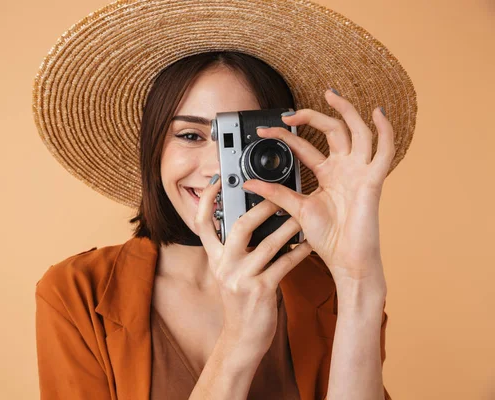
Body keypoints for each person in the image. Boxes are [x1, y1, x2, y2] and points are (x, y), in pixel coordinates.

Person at [32, 1, 417, 399]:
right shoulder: (76, 292)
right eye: (190, 136)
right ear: (154, 149)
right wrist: (239, 341)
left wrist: (359, 285)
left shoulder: (326, 288)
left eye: (244, 143)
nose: (219, 169)